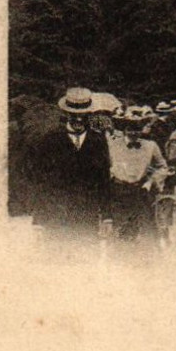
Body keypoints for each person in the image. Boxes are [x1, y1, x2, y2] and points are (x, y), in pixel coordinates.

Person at [28, 88, 113, 244]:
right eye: (75, 115)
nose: (79, 120)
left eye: (83, 115)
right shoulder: (51, 140)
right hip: (56, 217)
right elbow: (41, 182)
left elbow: (104, 180)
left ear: (90, 115)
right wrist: (38, 221)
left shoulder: (98, 141)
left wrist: (107, 216)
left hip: (87, 216)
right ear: (66, 114)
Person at [107, 106, 169, 247]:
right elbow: (104, 166)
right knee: (121, 232)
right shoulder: (113, 145)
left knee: (146, 232)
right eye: (130, 128)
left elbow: (163, 167)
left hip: (141, 192)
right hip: (119, 192)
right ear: (124, 129)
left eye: (137, 128)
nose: (134, 132)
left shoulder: (150, 146)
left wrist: (151, 181)